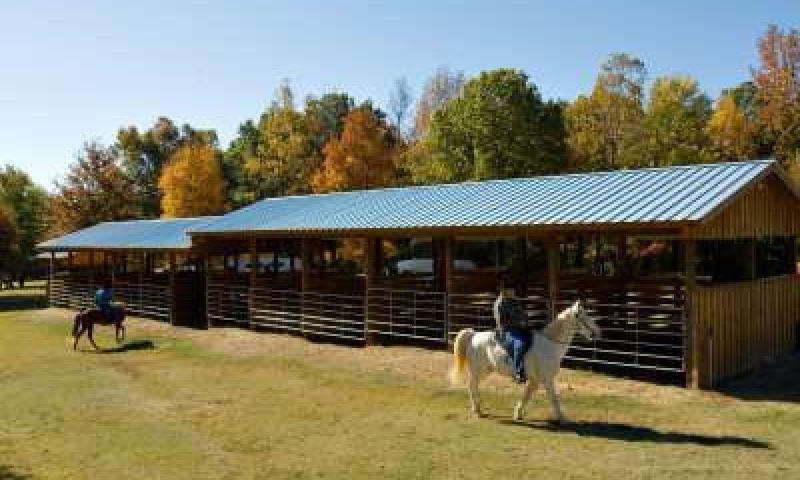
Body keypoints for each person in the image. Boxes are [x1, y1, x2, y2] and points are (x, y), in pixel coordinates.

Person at [493, 282, 532, 383]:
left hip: (519, 328)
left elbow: (523, 314)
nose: (514, 291)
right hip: (506, 331)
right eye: (511, 289)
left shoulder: (514, 301)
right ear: (505, 291)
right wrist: (518, 323)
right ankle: (518, 373)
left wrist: (525, 321)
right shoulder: (499, 304)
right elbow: (501, 323)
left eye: (513, 289)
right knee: (520, 344)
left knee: (533, 339)